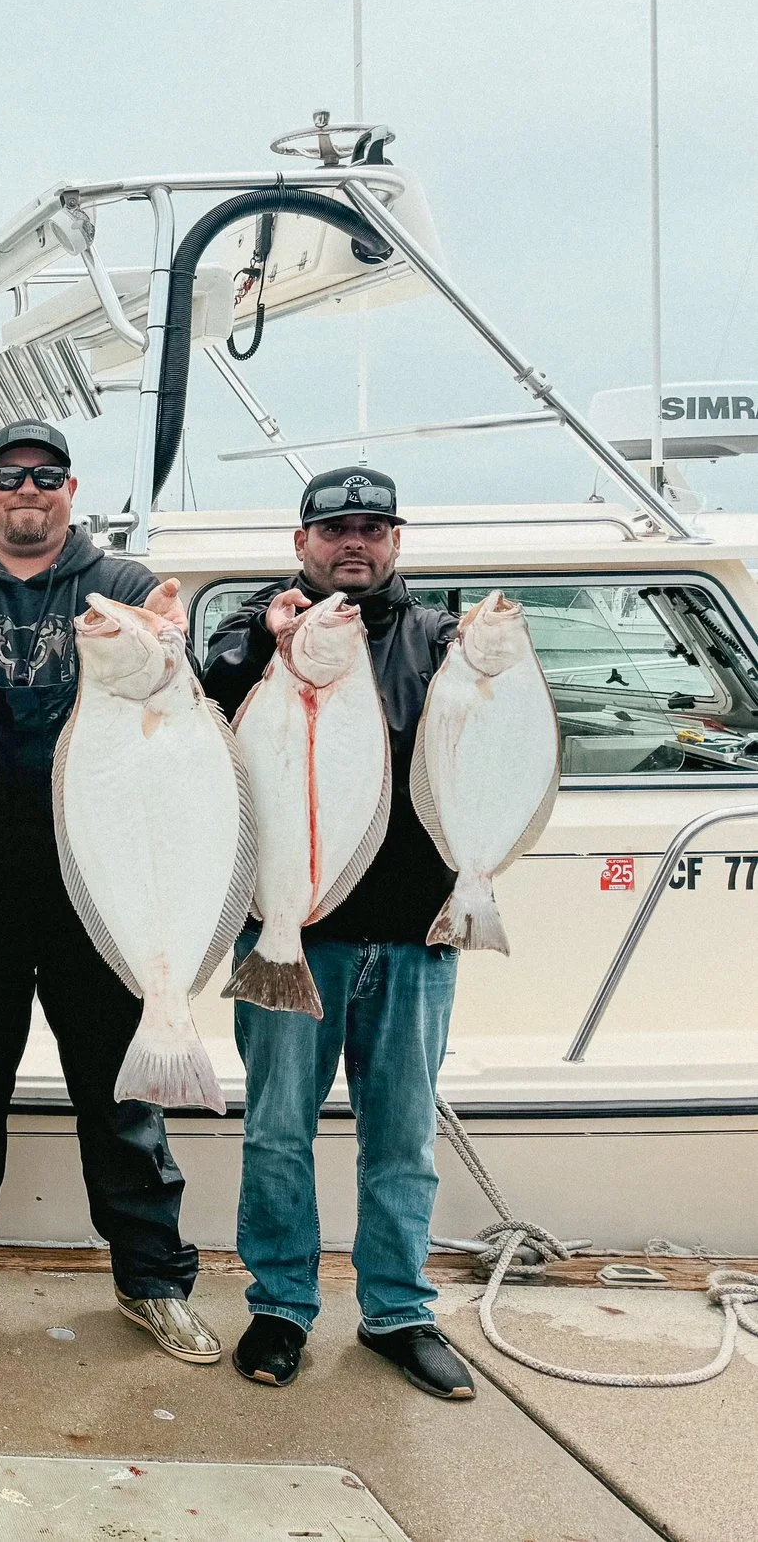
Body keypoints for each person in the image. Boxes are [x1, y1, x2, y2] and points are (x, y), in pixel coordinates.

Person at [0, 420, 220, 1364]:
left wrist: (172, 633)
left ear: (72, 489)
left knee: (118, 1092)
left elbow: (176, 698)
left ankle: (152, 1278)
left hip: (99, 880)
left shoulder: (119, 588)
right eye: (9, 477)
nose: (27, 491)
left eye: (46, 476)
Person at [201, 467, 474, 1400]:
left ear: (396, 541)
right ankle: (281, 1303)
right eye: (334, 529)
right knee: (278, 1131)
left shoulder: (441, 639)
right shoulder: (260, 631)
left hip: (411, 936)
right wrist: (266, 638)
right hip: (291, 933)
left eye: (371, 528)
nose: (352, 542)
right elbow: (208, 694)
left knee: (401, 1138)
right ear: (302, 543)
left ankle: (399, 1310)